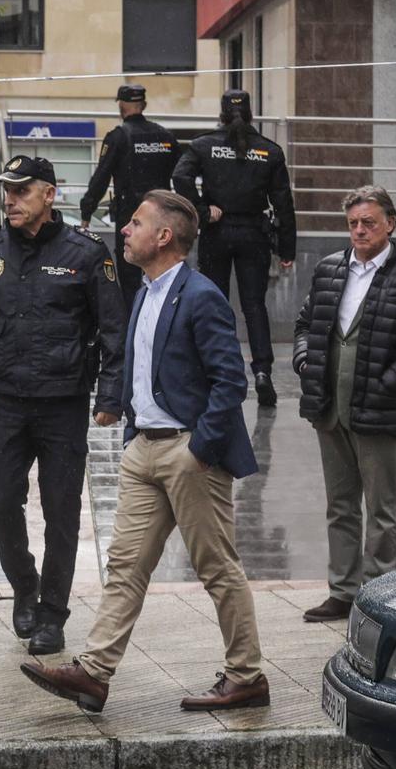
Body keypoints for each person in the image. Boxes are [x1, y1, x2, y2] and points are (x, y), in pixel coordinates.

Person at [19, 189, 268, 713]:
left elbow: (230, 382)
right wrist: (131, 428)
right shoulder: (144, 292)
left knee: (217, 568)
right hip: (143, 451)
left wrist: (198, 449)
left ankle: (246, 676)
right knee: (126, 565)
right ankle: (93, 672)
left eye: (135, 223)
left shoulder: (202, 296)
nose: (124, 230)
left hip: (187, 453)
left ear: (165, 236)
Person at [0, 155, 125, 654]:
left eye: (21, 190)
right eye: (6, 190)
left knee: (62, 513)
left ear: (49, 193)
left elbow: (114, 331)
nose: (10, 199)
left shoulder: (86, 254)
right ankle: (25, 586)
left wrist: (110, 396)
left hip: (63, 405)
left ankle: (52, 614)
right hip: (7, 405)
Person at [294, 186, 396, 622]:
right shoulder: (329, 270)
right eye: (353, 224)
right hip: (329, 406)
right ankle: (342, 592)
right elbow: (306, 323)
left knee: (381, 508)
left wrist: (391, 382)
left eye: (368, 223)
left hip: (381, 411)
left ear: (390, 224)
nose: (359, 230)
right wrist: (304, 358)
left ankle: (378, 593)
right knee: (339, 504)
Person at [172, 88, 296, 408]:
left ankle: (216, 369)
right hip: (254, 234)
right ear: (251, 114)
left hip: (217, 232)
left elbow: (180, 177)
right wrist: (287, 249)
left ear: (222, 113)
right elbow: (283, 204)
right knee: (254, 306)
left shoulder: (203, 146)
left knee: (215, 303)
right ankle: (263, 372)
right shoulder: (270, 151)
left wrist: (201, 210)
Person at [80, 84, 178, 312]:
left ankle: (134, 334)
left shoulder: (118, 137)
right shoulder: (166, 137)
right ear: (143, 105)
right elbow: (180, 175)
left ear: (122, 105)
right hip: (162, 218)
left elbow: (101, 178)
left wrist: (86, 212)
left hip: (131, 218)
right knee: (162, 275)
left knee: (130, 280)